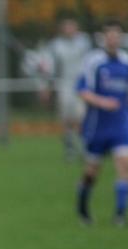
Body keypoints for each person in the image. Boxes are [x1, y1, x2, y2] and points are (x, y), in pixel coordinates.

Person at [75, 20, 128, 226]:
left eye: (116, 35)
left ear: (120, 38)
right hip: (98, 127)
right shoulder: (93, 62)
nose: (113, 39)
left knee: (125, 166)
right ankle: (83, 208)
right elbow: (82, 91)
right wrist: (103, 102)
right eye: (109, 35)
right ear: (104, 38)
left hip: (121, 125)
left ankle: (120, 215)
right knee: (91, 172)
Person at [46, 16, 92, 161]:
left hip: (81, 85)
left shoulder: (84, 42)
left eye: (72, 26)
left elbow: (90, 63)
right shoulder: (56, 45)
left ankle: (85, 147)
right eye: (67, 27)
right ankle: (70, 147)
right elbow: (51, 67)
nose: (69, 30)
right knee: (67, 118)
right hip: (64, 85)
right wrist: (47, 84)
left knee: (82, 117)